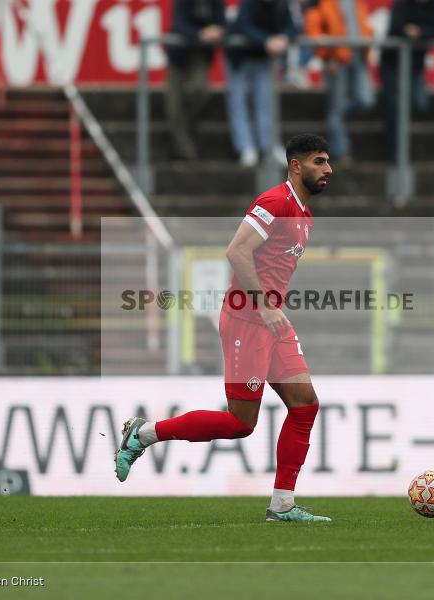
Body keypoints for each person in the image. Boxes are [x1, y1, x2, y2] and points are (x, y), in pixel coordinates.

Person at [115, 134, 334, 523]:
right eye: (319, 161)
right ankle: (143, 434)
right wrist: (265, 306)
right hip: (248, 320)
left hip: (272, 320)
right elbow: (236, 251)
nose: (328, 169)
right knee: (240, 423)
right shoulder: (275, 203)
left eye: (328, 161)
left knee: (305, 404)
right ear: (296, 166)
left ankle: (282, 506)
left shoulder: (304, 215)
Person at [226, 0, 297, 167]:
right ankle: (246, 148)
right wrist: (266, 41)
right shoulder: (248, 3)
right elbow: (243, 26)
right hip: (239, 57)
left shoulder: (282, 5)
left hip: (262, 58)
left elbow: (291, 28)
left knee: (265, 102)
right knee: (238, 102)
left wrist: (284, 38)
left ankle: (269, 146)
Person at [304, 0, 376, 162]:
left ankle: (335, 124)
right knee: (337, 106)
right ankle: (341, 150)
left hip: (358, 54)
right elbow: (314, 29)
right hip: (336, 58)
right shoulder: (322, 3)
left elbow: (364, 25)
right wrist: (326, 57)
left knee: (364, 100)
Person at [380, 0, 434, 162]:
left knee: (420, 103)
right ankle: (394, 153)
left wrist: (420, 32)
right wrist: (406, 31)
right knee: (394, 108)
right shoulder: (402, 4)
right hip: (392, 63)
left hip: (415, 65)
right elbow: (395, 27)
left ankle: (403, 147)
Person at [165, 0, 226, 160]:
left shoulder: (215, 3)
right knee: (173, 105)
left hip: (201, 53)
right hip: (178, 53)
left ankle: (185, 126)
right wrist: (201, 34)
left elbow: (223, 23)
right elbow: (179, 25)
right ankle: (185, 150)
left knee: (201, 91)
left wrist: (219, 31)